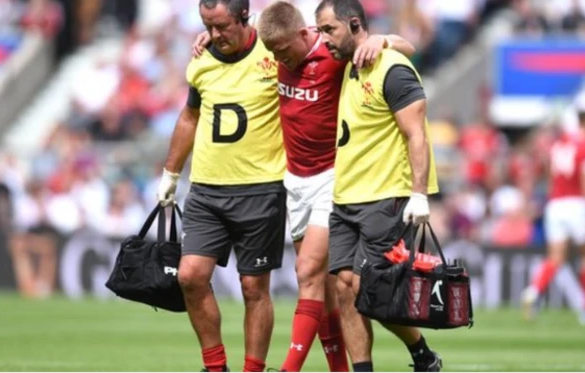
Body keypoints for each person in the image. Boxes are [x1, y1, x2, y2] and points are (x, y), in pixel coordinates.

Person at [193, 2, 416, 370]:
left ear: (303, 34)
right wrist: (210, 36)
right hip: (294, 179)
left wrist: (382, 41)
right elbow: (242, 41)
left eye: (283, 50)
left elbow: (405, 47)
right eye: (274, 52)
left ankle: (289, 368)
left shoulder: (332, 54)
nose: (280, 59)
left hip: (332, 176)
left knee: (308, 272)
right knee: (327, 288)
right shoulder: (273, 49)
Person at [156, 0, 286, 371]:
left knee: (253, 289)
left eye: (221, 26)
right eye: (207, 26)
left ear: (245, 17)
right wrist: (171, 174)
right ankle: (215, 367)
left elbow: (295, 21)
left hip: (261, 189)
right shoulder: (202, 61)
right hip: (207, 190)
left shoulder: (272, 49)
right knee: (190, 277)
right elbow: (190, 116)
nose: (214, 35)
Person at [315, 0, 441, 371]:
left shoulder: (392, 68)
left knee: (373, 293)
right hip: (347, 197)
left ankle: (421, 353)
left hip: (386, 197)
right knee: (345, 290)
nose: (323, 40)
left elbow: (416, 134)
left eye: (329, 30)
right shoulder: (348, 62)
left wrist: (418, 195)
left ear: (354, 24)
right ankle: (407, 360)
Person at [521, 93, 585, 325]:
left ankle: (533, 291)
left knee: (555, 257)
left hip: (555, 203)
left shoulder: (559, 144)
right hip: (577, 203)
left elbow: (549, 175)